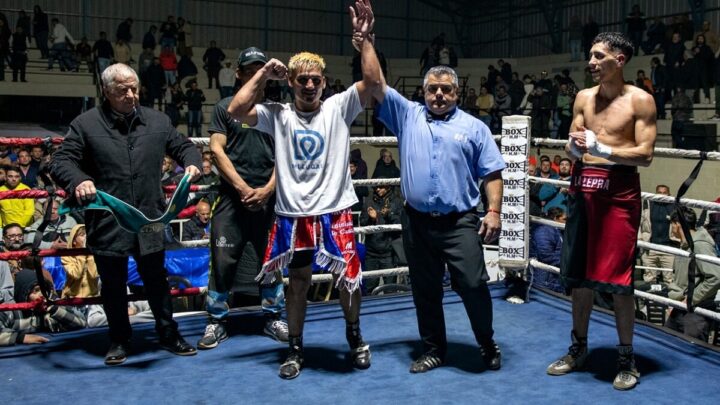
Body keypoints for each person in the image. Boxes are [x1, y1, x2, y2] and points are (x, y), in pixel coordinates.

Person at [226, 0, 381, 379]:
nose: (309, 85)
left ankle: (355, 336)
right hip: (293, 214)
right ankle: (295, 348)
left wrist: (365, 41)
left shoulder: (338, 107)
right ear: (291, 82)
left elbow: (375, 84)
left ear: (324, 82)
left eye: (315, 79)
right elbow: (235, 109)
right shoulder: (276, 113)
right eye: (302, 79)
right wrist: (264, 72)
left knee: (349, 279)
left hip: (335, 209)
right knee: (297, 282)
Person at [50, 63, 202, 366]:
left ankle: (169, 333)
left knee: (157, 279)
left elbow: (184, 146)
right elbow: (60, 161)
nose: (131, 95)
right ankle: (119, 338)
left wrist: (193, 163)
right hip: (109, 219)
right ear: (107, 91)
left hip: (150, 217)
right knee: (114, 282)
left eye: (134, 88)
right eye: (123, 90)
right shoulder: (86, 123)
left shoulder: (158, 120)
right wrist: (79, 180)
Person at [374, 47, 505, 376]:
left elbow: (491, 173)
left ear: (456, 93)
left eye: (446, 89)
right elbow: (375, 83)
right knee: (425, 289)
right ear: (424, 91)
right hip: (417, 221)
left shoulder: (475, 128)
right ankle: (433, 349)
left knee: (473, 284)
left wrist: (493, 211)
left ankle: (486, 342)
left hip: (459, 221)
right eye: (433, 88)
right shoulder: (407, 115)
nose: (439, 94)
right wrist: (366, 42)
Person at [547, 32, 656, 391]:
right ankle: (578, 349)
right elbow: (572, 143)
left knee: (620, 282)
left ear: (619, 60)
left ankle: (627, 359)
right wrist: (576, 150)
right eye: (590, 56)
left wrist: (604, 148)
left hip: (619, 191)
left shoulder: (641, 100)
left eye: (598, 57)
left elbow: (645, 154)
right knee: (579, 277)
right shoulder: (582, 97)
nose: (590, 63)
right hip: (583, 188)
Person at [198, 46, 288, 351]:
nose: (254, 75)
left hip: (268, 199)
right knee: (222, 261)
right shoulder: (225, 107)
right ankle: (216, 320)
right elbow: (216, 150)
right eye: (249, 71)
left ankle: (274, 316)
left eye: (259, 70)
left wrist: (266, 190)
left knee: (272, 260)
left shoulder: (277, 111)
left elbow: (286, 156)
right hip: (230, 200)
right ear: (239, 74)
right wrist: (241, 188)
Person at [665, 207, 720, 341]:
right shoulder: (686, 244)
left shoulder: (700, 245)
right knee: (667, 345)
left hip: (696, 312)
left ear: (677, 225)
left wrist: (690, 299)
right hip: (681, 307)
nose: (671, 227)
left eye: (671, 223)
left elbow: (715, 277)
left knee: (690, 354)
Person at [638, 185, 678, 284]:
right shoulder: (647, 204)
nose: (662, 195)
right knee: (649, 278)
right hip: (650, 247)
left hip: (669, 248)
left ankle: (668, 298)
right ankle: (649, 298)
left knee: (669, 280)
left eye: (664, 193)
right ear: (655, 193)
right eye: (659, 192)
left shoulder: (674, 207)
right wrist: (640, 239)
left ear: (669, 194)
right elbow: (638, 221)